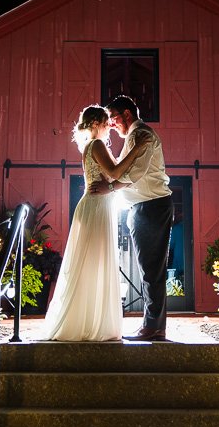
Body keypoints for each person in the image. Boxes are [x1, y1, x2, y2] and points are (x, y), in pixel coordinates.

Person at [41, 104, 150, 341]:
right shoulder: (97, 145)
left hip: (97, 205)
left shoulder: (90, 146)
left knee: (91, 264)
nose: (110, 127)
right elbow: (117, 171)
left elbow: (111, 173)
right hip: (97, 206)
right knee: (95, 262)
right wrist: (137, 149)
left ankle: (87, 320)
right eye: (105, 122)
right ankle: (91, 322)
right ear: (95, 124)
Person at [90, 94, 173, 341]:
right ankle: (154, 326)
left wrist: (110, 188)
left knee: (151, 269)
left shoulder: (141, 135)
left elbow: (136, 172)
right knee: (150, 268)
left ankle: (153, 328)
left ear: (127, 114)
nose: (112, 125)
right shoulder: (135, 137)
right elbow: (123, 168)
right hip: (144, 207)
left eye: (114, 118)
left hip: (152, 206)